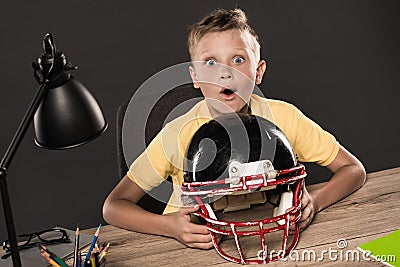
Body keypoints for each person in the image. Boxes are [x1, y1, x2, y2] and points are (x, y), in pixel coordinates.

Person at [103, 8, 366, 250]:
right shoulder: (178, 134)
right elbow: (113, 207)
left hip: (274, 239)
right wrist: (171, 227)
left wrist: (316, 201)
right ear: (195, 77)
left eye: (238, 59)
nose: (226, 73)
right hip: (198, 248)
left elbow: (353, 169)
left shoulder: (283, 118)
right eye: (210, 63)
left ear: (258, 71)